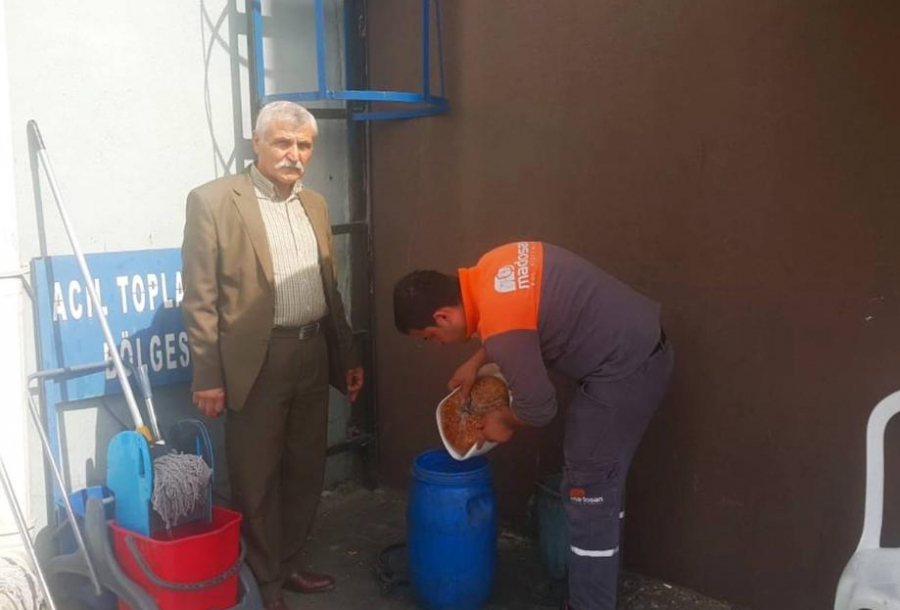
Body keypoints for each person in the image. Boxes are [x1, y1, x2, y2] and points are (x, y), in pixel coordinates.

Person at [393, 241, 673, 610]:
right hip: (639, 346)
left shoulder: (503, 332)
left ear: (443, 316)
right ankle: (595, 585)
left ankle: (590, 603)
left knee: (588, 488)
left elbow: (540, 407)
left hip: (625, 371)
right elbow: (517, 316)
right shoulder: (492, 266)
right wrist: (477, 361)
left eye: (430, 337)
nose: (438, 345)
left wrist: (504, 423)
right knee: (601, 486)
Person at [181, 101, 364, 610]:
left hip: (310, 353)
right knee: (256, 476)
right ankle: (262, 580)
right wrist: (208, 376)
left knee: (306, 469)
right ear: (256, 142)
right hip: (254, 363)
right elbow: (199, 299)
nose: (294, 154)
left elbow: (332, 290)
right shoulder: (214, 202)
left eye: (304, 145)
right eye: (283, 142)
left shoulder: (317, 205)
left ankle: (288, 565)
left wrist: (345, 357)